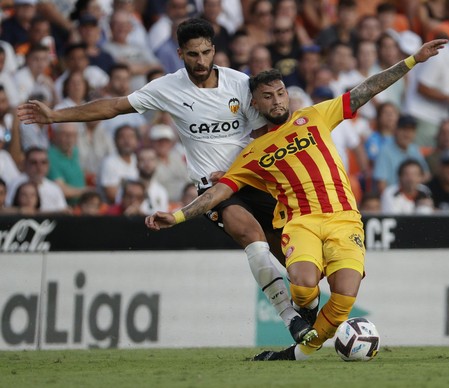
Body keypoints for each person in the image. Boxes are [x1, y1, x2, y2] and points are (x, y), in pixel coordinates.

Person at [144, 39, 447, 361]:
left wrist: (413, 60)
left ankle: (297, 354)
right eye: (267, 97)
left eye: (280, 93)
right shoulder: (252, 153)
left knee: (344, 299)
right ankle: (305, 315)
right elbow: (218, 193)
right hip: (301, 221)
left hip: (344, 218)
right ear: (254, 105)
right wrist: (177, 217)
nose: (276, 101)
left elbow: (366, 89)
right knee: (303, 288)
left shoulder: (314, 116)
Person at [17, 18, 314, 346]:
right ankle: (291, 318)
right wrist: (56, 115)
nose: (200, 61)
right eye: (192, 54)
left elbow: (262, 136)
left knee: (292, 255)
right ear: (179, 54)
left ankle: (317, 313)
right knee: (253, 239)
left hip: (252, 180)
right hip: (214, 190)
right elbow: (114, 106)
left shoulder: (240, 84)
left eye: (205, 52)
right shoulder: (167, 87)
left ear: (214, 50)